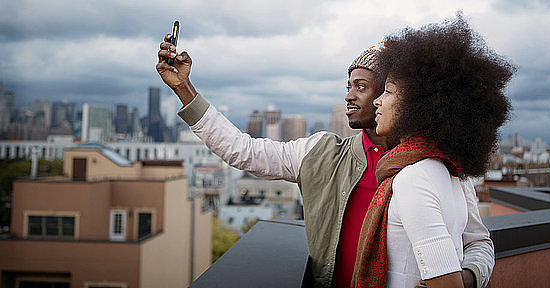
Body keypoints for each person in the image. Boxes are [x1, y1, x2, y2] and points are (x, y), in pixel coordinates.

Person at [156, 36, 495, 288]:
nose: (348, 95)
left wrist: (465, 278)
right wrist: (185, 89)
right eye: (348, 86)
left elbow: (478, 243)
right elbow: (242, 150)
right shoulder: (322, 153)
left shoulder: (437, 167)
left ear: (395, 95)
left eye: (361, 86)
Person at [352, 18, 514, 288]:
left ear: (419, 104)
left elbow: (447, 282)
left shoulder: (414, 178)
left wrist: (461, 279)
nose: (378, 100)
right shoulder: (452, 171)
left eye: (389, 91)